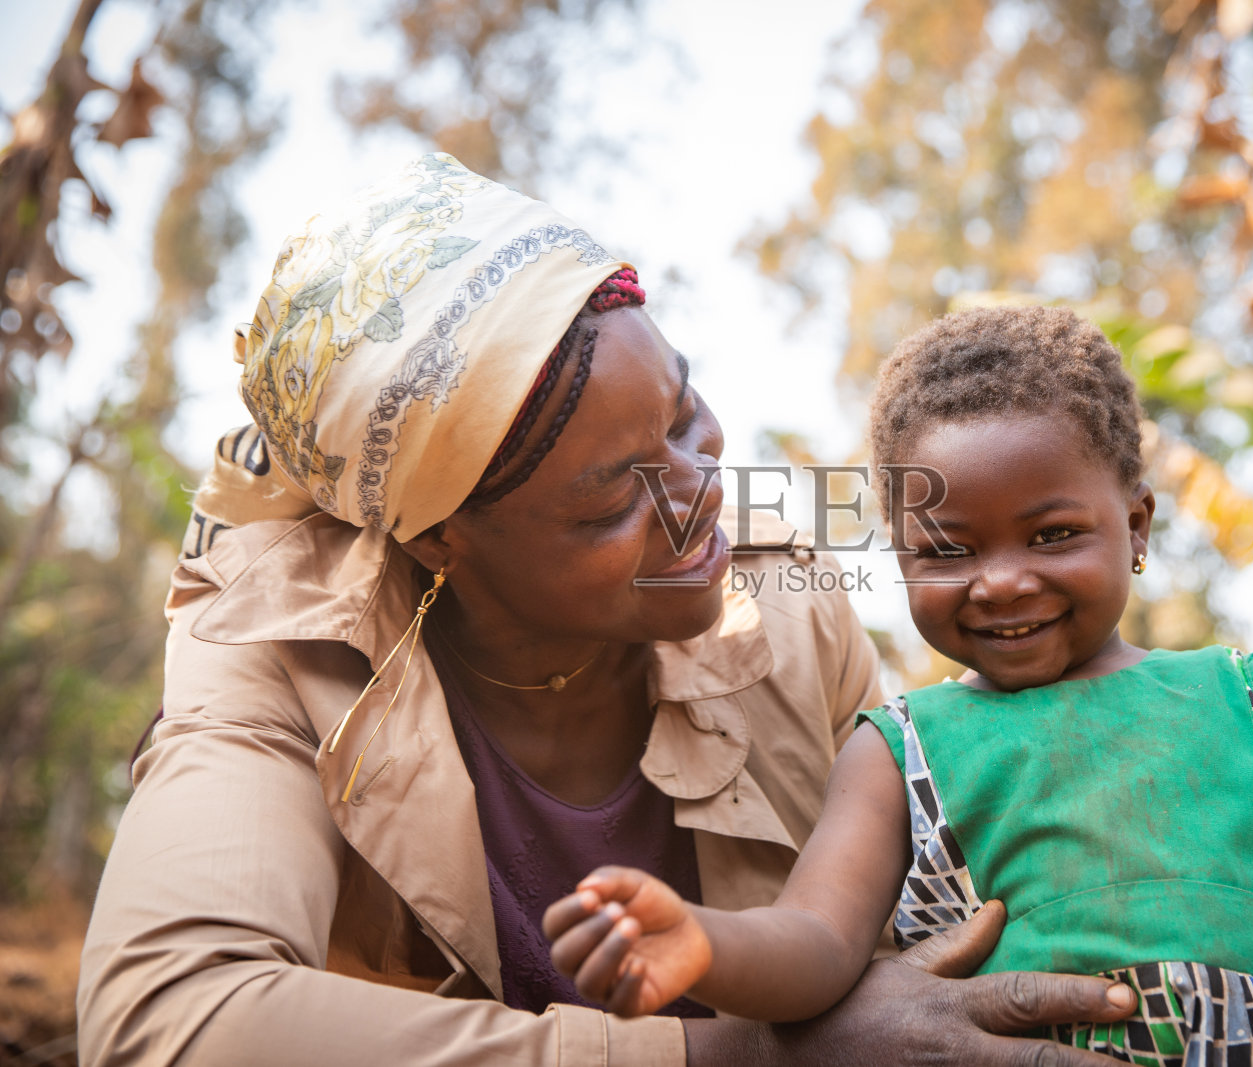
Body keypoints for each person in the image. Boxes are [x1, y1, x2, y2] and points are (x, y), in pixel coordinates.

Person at [76, 156, 1141, 1067]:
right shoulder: (282, 646)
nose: (699, 495)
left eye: (683, 412)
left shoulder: (784, 608)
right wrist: (752, 1051)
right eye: (616, 492)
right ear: (439, 535)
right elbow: (171, 1016)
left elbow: (931, 941)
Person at [544, 306, 1253, 1063]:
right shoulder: (896, 748)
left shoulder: (1246, 698)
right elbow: (815, 943)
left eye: (1050, 535)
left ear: (1136, 525)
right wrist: (703, 942)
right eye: (950, 550)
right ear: (900, 558)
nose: (1000, 580)